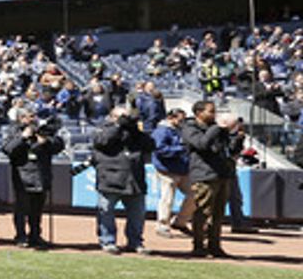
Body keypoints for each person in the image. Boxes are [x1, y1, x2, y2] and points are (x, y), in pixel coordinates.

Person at [91, 106, 155, 254]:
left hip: (134, 180)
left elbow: (150, 145)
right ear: (112, 117)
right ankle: (108, 241)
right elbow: (102, 142)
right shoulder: (102, 129)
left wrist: (134, 129)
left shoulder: (134, 134)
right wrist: (118, 126)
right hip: (110, 178)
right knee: (106, 211)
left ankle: (135, 242)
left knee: (137, 214)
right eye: (122, 117)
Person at [180, 100, 233, 258]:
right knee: (203, 212)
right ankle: (198, 245)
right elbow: (201, 144)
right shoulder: (190, 128)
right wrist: (217, 128)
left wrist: (237, 136)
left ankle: (215, 245)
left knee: (218, 214)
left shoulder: (214, 129)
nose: (214, 114)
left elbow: (228, 149)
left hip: (222, 173)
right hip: (204, 174)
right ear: (199, 113)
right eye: (210, 111)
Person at [3, 116, 64, 249]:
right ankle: (21, 236)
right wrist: (23, 137)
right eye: (28, 119)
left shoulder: (44, 132)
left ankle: (35, 236)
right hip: (22, 178)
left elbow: (59, 145)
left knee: (37, 211)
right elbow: (8, 150)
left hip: (41, 177)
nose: (32, 123)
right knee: (21, 210)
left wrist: (46, 141)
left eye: (33, 119)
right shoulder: (15, 132)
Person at [150, 108, 195, 237]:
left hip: (183, 168)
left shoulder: (180, 130)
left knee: (195, 194)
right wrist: (181, 149)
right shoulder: (162, 131)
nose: (182, 122)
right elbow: (160, 150)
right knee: (167, 198)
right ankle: (162, 225)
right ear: (171, 118)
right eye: (180, 119)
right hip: (167, 169)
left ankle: (180, 222)